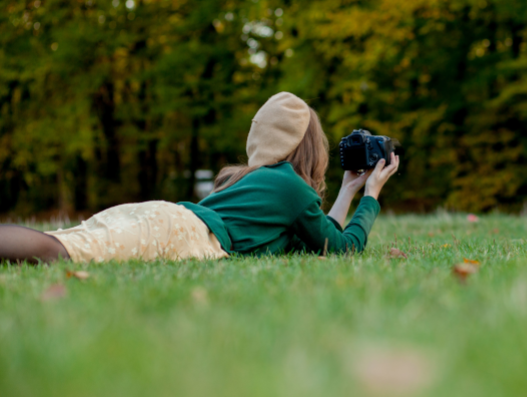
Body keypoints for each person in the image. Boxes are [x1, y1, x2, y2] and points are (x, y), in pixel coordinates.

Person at [0, 92, 400, 264]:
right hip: (180, 231)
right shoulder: (291, 189)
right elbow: (343, 249)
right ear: (309, 148)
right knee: (58, 253)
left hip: (163, 217)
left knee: (64, 242)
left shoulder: (260, 182)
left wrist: (349, 189)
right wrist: (372, 197)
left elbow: (321, 242)